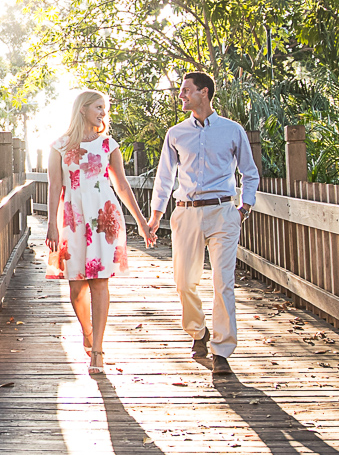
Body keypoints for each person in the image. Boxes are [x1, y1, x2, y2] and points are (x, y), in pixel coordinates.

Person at [148, 72, 257, 377]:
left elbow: (250, 172)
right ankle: (198, 331)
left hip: (223, 212)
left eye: (185, 91)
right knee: (184, 282)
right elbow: (165, 178)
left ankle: (222, 350)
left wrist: (244, 206)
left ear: (203, 93)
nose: (180, 95)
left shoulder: (232, 131)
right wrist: (156, 216)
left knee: (223, 282)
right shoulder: (176, 133)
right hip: (186, 212)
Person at [44, 90, 154, 372]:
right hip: (73, 219)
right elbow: (55, 187)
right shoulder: (58, 146)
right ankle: (88, 333)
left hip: (105, 218)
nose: (103, 112)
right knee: (76, 288)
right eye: (98, 107)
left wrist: (141, 222)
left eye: (104, 107)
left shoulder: (108, 144)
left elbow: (122, 186)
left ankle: (98, 350)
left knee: (100, 282)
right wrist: (51, 225)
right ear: (82, 109)